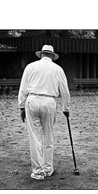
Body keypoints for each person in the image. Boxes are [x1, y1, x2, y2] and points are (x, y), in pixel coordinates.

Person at [18, 45, 70, 180]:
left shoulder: (30, 67)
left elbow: (23, 88)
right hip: (49, 102)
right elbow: (65, 91)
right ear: (52, 56)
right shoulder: (58, 69)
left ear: (41, 55)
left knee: (35, 138)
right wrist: (66, 109)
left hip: (32, 100)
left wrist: (21, 107)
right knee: (48, 136)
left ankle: (38, 171)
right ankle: (48, 169)